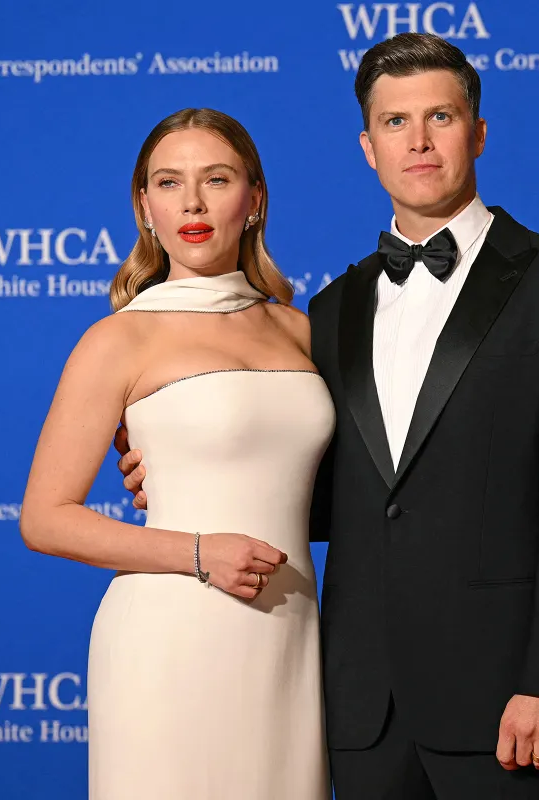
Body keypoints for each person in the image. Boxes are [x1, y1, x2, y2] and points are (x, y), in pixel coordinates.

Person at [120, 33, 539, 800]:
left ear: (478, 132)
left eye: (440, 118)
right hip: (356, 711)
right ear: (367, 145)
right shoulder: (330, 308)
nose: (417, 142)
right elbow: (335, 493)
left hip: (505, 706)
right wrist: (193, 474)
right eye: (395, 123)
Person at [19, 108, 333, 800]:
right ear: (144, 207)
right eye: (169, 182)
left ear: (254, 199)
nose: (191, 202)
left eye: (215, 179)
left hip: (289, 636)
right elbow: (44, 518)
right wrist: (198, 550)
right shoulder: (118, 341)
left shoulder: (302, 330)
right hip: (172, 636)